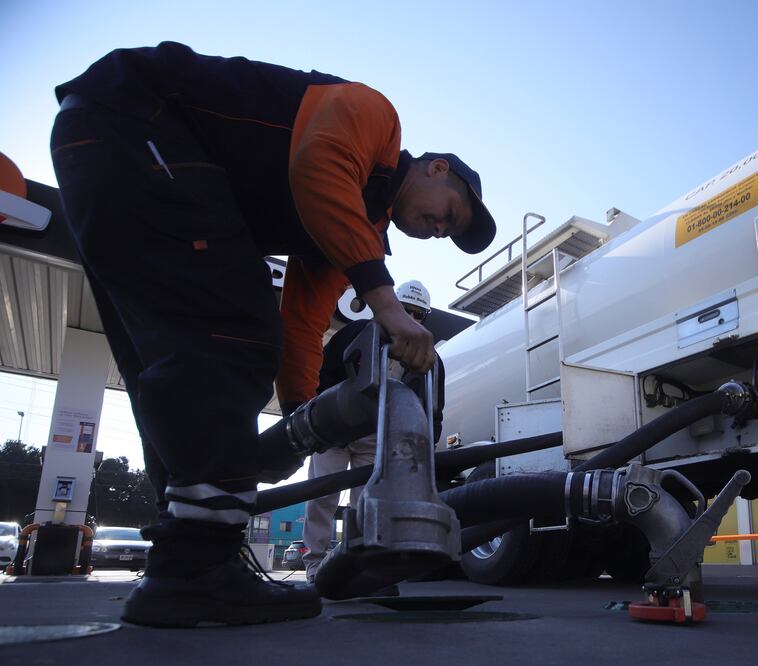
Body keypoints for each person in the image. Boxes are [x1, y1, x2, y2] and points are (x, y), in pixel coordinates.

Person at [49, 42, 495, 628]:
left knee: (166, 356)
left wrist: (297, 423)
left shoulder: (347, 226)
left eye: (447, 232)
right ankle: (198, 571)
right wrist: (386, 304)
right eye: (450, 214)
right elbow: (319, 165)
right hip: (136, 118)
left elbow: (302, 324)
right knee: (228, 323)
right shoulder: (373, 120)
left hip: (110, 150)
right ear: (438, 169)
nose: (439, 230)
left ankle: (187, 558)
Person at [301, 280, 444, 589]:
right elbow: (321, 373)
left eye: (419, 315)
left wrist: (425, 449)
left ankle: (354, 564)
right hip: (334, 431)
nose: (412, 320)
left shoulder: (427, 357)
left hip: (373, 436)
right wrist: (316, 417)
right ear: (392, 307)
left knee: (366, 502)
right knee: (322, 495)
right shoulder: (357, 333)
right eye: (406, 311)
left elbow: (432, 409)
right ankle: (315, 562)